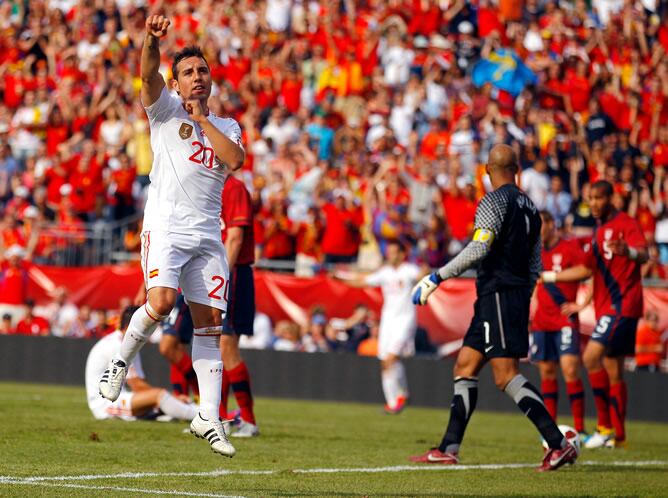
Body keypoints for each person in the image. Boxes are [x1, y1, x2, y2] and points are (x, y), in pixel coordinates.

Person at [98, 15, 244, 458]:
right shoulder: (164, 111)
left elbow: (234, 160)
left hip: (208, 236)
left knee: (209, 327)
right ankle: (120, 361)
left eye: (202, 71)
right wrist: (150, 40)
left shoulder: (228, 126)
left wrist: (204, 120)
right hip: (165, 227)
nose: (197, 77)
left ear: (211, 80)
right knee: (160, 303)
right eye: (188, 73)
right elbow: (146, 73)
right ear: (175, 85)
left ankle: (208, 416)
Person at [410, 144, 578, 471]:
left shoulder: (493, 201)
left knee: (505, 376)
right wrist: (523, 293)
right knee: (465, 365)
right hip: (502, 294)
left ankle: (557, 443)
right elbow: (535, 263)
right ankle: (449, 446)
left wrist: (437, 277)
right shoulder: (530, 206)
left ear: (487, 170)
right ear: (516, 169)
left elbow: (478, 249)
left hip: (499, 292)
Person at [542, 180, 648, 449]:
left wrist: (630, 252)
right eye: (591, 198)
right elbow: (587, 271)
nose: (595, 203)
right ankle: (618, 437)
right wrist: (551, 278)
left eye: (600, 198)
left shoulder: (626, 224)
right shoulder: (598, 233)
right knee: (613, 369)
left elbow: (645, 254)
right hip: (608, 307)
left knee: (590, 358)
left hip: (622, 305)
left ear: (611, 198)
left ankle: (603, 427)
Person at [334, 240, 425, 414]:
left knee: (391, 358)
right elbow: (362, 281)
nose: (389, 255)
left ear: (401, 254)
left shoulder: (408, 270)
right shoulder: (385, 273)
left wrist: (426, 271)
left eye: (393, 252)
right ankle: (393, 403)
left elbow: (422, 274)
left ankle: (402, 395)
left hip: (405, 320)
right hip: (388, 321)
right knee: (385, 362)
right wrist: (340, 279)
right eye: (388, 252)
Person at [86, 306, 198, 421]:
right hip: (105, 405)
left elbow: (138, 384)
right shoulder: (118, 345)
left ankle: (191, 412)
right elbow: (137, 386)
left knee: (162, 402)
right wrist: (174, 398)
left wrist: (173, 400)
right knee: (159, 396)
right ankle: (202, 416)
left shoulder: (128, 342)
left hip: (116, 398)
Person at [531, 211, 588, 437]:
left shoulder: (569, 247)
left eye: (540, 225)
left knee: (570, 369)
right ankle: (550, 428)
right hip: (542, 321)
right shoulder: (534, 252)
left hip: (565, 319)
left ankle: (581, 429)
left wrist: (581, 305)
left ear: (551, 224)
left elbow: (587, 272)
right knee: (546, 372)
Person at [219, 173, 259, 437]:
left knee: (226, 344)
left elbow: (235, 237)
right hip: (216, 273)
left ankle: (248, 419)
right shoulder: (208, 183)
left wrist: (222, 275)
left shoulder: (234, 188)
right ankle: (217, 417)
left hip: (231, 273)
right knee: (213, 347)